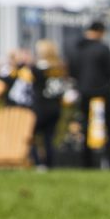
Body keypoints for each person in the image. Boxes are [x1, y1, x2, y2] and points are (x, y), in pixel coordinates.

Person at [69, 18, 110, 168]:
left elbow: (72, 72)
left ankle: (87, 164)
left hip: (83, 93)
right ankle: (109, 162)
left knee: (85, 129)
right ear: (100, 32)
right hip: (103, 94)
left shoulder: (76, 49)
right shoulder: (102, 49)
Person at [29, 40, 66, 170]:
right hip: (55, 107)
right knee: (49, 138)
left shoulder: (37, 68)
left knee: (29, 135)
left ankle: (38, 163)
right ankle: (50, 164)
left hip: (40, 106)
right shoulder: (59, 68)